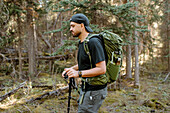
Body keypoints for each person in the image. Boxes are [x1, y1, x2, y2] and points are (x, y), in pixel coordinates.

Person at [62, 13, 107, 113]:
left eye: (73, 26)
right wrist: (72, 69)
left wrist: (78, 74)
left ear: (82, 26)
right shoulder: (83, 42)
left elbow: (102, 69)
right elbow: (87, 64)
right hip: (87, 88)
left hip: (95, 90)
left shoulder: (93, 42)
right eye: (70, 26)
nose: (70, 29)